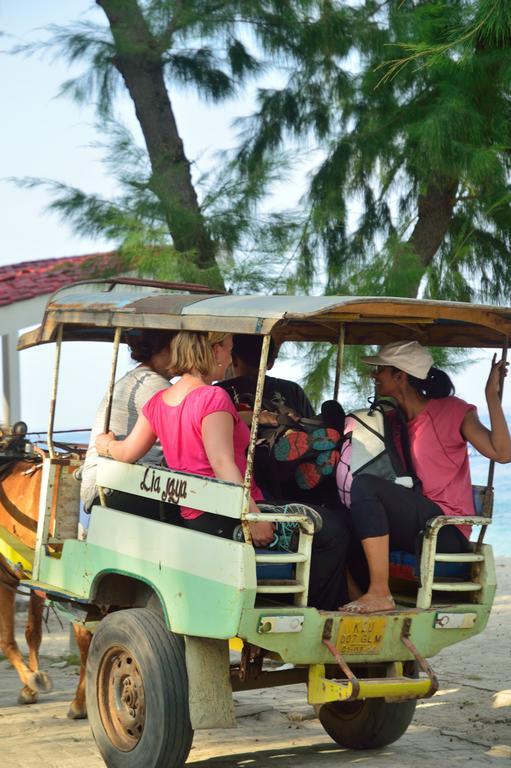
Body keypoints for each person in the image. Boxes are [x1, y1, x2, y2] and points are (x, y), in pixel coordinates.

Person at [96, 330, 350, 609]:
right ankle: (315, 613)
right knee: (335, 529)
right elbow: (221, 463)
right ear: (214, 350)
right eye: (228, 348)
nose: (230, 356)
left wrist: (105, 444)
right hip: (229, 516)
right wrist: (253, 517)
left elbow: (127, 452)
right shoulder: (213, 397)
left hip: (196, 513)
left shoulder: (159, 402)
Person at [343, 340, 511, 614]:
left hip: (444, 528)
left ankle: (379, 593)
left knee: (366, 486)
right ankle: (354, 601)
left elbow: (502, 453)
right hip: (413, 524)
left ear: (401, 376)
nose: (374, 376)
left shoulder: (453, 411)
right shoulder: (393, 421)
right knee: (338, 522)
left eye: (380, 370)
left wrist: (491, 396)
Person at [80, 328, 176, 521]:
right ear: (163, 350)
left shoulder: (139, 378)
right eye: (177, 348)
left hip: (111, 483)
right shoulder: (154, 385)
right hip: (115, 486)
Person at [217, 334, 316, 419]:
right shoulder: (293, 391)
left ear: (233, 359)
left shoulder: (218, 392)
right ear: (270, 362)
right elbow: (312, 428)